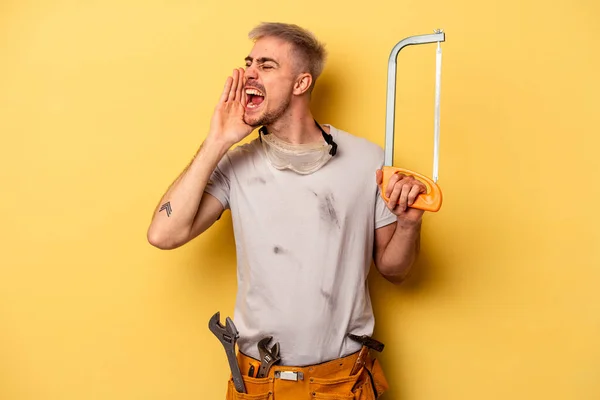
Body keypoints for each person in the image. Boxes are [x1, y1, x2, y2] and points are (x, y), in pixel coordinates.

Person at [147, 22, 427, 400]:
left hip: (344, 382)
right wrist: (218, 141)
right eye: (248, 63)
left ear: (301, 84)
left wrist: (409, 225)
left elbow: (395, 270)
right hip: (259, 383)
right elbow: (163, 234)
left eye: (266, 65)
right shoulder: (236, 164)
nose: (249, 72)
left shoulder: (367, 160)